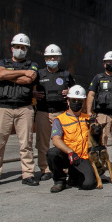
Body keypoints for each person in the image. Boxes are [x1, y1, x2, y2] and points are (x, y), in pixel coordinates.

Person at [0, 33, 38, 188]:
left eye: (23, 47)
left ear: (27, 49)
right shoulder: (2, 62)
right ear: (12, 48)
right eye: (17, 47)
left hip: (24, 107)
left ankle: (28, 174)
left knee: (26, 144)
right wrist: (22, 72)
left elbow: (29, 79)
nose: (20, 49)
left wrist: (6, 76)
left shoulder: (32, 65)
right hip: (3, 107)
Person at [34, 44, 75, 182]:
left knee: (64, 141)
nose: (52, 59)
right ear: (45, 59)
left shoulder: (66, 74)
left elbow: (75, 90)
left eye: (55, 57)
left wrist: (69, 92)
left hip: (61, 113)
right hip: (43, 112)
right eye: (50, 57)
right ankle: (45, 169)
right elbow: (28, 88)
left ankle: (64, 167)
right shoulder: (39, 74)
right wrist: (33, 93)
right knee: (42, 142)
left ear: (59, 58)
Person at [46, 86, 98, 193]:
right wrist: (70, 152)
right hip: (67, 155)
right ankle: (60, 181)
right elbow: (56, 140)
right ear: (68, 101)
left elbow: (96, 140)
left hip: (82, 158)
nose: (76, 103)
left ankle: (74, 174)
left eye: (79, 101)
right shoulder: (60, 120)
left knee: (89, 184)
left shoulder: (88, 119)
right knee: (52, 153)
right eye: (73, 100)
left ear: (83, 103)